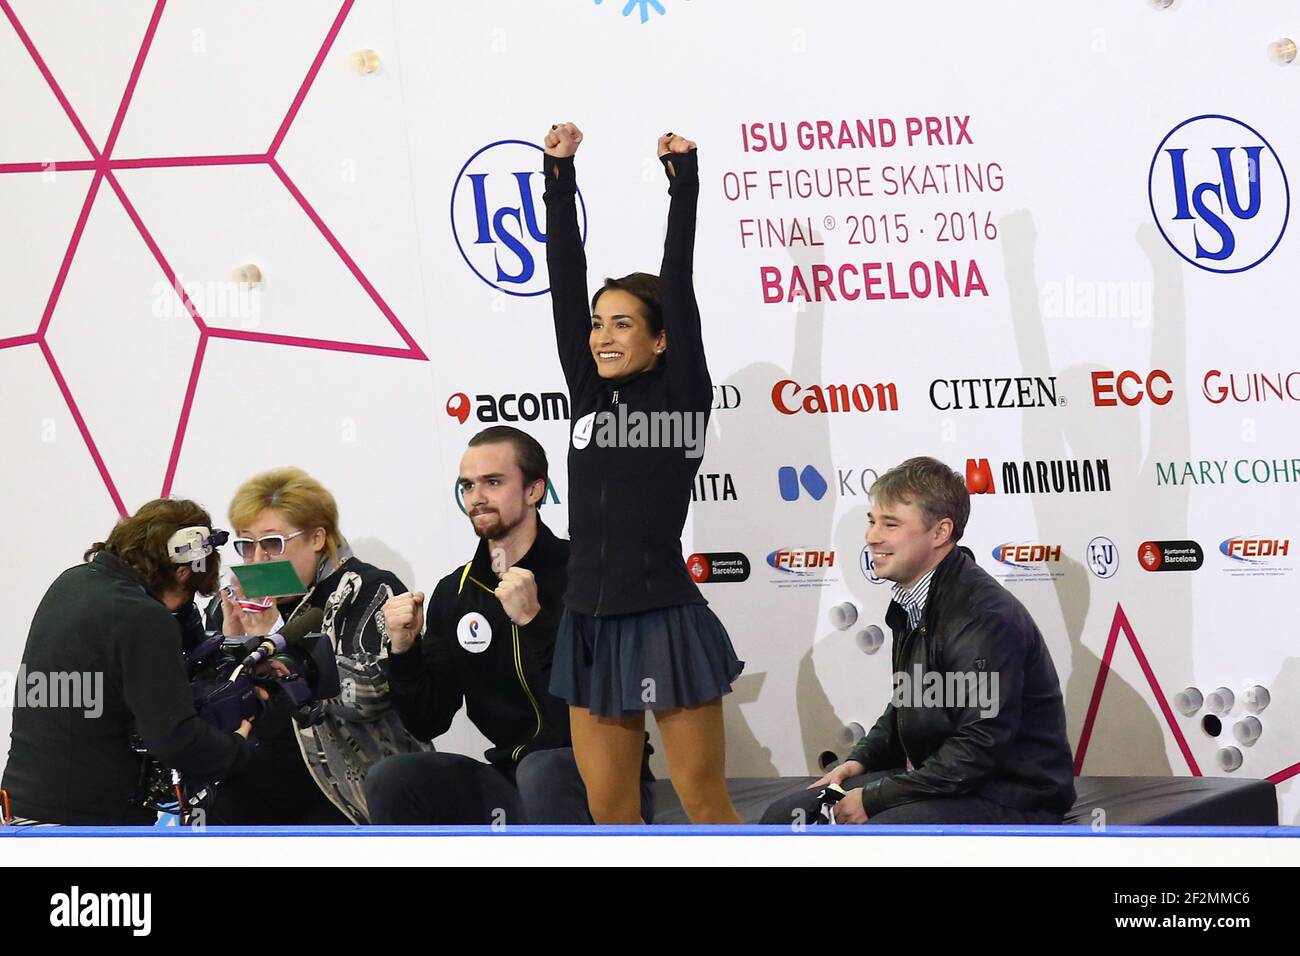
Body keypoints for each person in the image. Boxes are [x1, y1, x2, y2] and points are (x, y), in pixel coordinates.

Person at [543, 122, 743, 824]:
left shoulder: (681, 391)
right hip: (587, 620)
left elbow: (678, 281)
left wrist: (682, 183)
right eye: (600, 324)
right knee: (611, 811)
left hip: (661, 615)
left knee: (704, 801)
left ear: (660, 341)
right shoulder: (588, 391)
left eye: (623, 324)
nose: (601, 334)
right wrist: (559, 177)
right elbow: (563, 282)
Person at [761, 456, 1076, 825]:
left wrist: (876, 798)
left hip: (1012, 795)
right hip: (955, 784)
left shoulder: (982, 616)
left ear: (940, 533)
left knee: (877, 833)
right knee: (786, 815)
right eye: (872, 521)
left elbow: (978, 747)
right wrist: (855, 762)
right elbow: (906, 703)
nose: (872, 536)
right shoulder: (913, 602)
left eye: (890, 524)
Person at [366, 426, 654, 824]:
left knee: (544, 770)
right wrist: (404, 651)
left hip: (606, 777)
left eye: (493, 482)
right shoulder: (456, 592)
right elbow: (427, 720)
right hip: (509, 778)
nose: (477, 498)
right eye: (468, 486)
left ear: (535, 490)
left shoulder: (589, 575)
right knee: (393, 777)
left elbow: (608, 699)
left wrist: (535, 622)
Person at [1, 499, 253, 825]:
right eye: (188, 596)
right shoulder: (143, 616)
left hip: (21, 814)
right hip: (85, 828)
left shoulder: (71, 583)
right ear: (182, 571)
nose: (182, 611)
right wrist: (237, 749)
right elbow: (175, 739)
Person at [204, 466, 425, 825]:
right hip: (255, 776)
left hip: (349, 785)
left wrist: (276, 636)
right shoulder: (232, 601)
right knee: (211, 815)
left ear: (317, 538)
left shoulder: (367, 590)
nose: (258, 560)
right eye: (246, 545)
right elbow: (213, 705)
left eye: (273, 544)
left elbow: (370, 697)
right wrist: (233, 646)